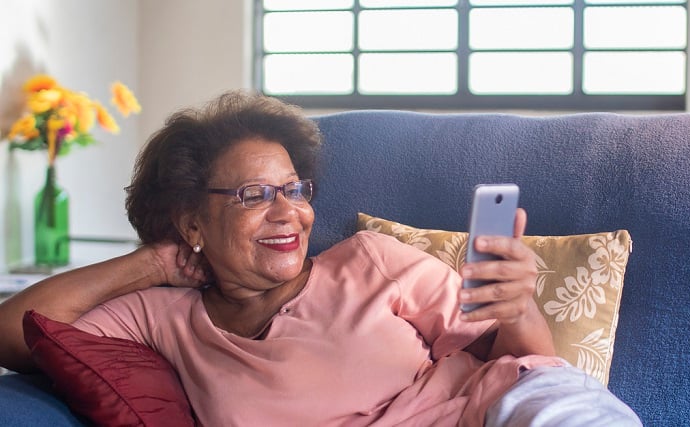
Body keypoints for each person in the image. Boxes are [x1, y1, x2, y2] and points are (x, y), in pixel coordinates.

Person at [0, 90, 640, 426]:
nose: (289, 212)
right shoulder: (160, 318)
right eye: (255, 195)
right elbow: (15, 334)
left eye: (294, 189)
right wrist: (151, 264)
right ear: (192, 220)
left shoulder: (370, 261)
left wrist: (518, 305)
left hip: (497, 408)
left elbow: (527, 367)